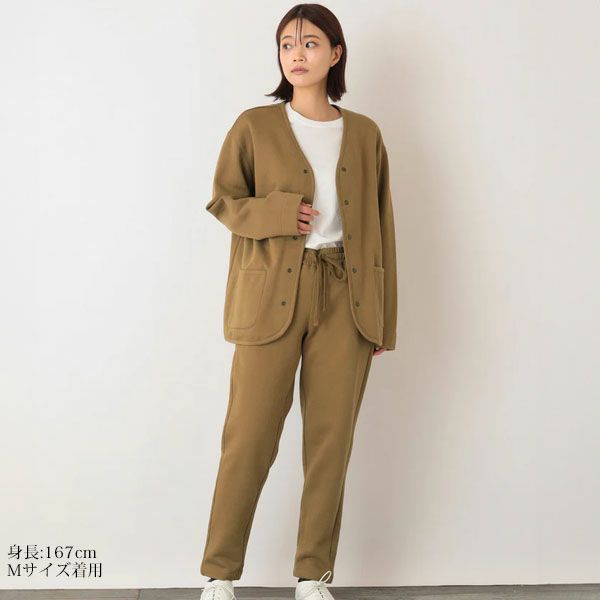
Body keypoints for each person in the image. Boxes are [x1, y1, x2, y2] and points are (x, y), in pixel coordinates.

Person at [199, 4, 397, 600]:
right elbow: (224, 201)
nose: (296, 54)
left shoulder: (364, 134)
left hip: (348, 296)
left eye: (310, 43)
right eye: (287, 44)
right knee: (248, 437)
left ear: (335, 54)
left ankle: (313, 575)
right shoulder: (255, 126)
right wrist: (280, 213)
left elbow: (382, 229)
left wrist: (382, 319)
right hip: (271, 296)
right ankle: (219, 574)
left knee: (331, 442)